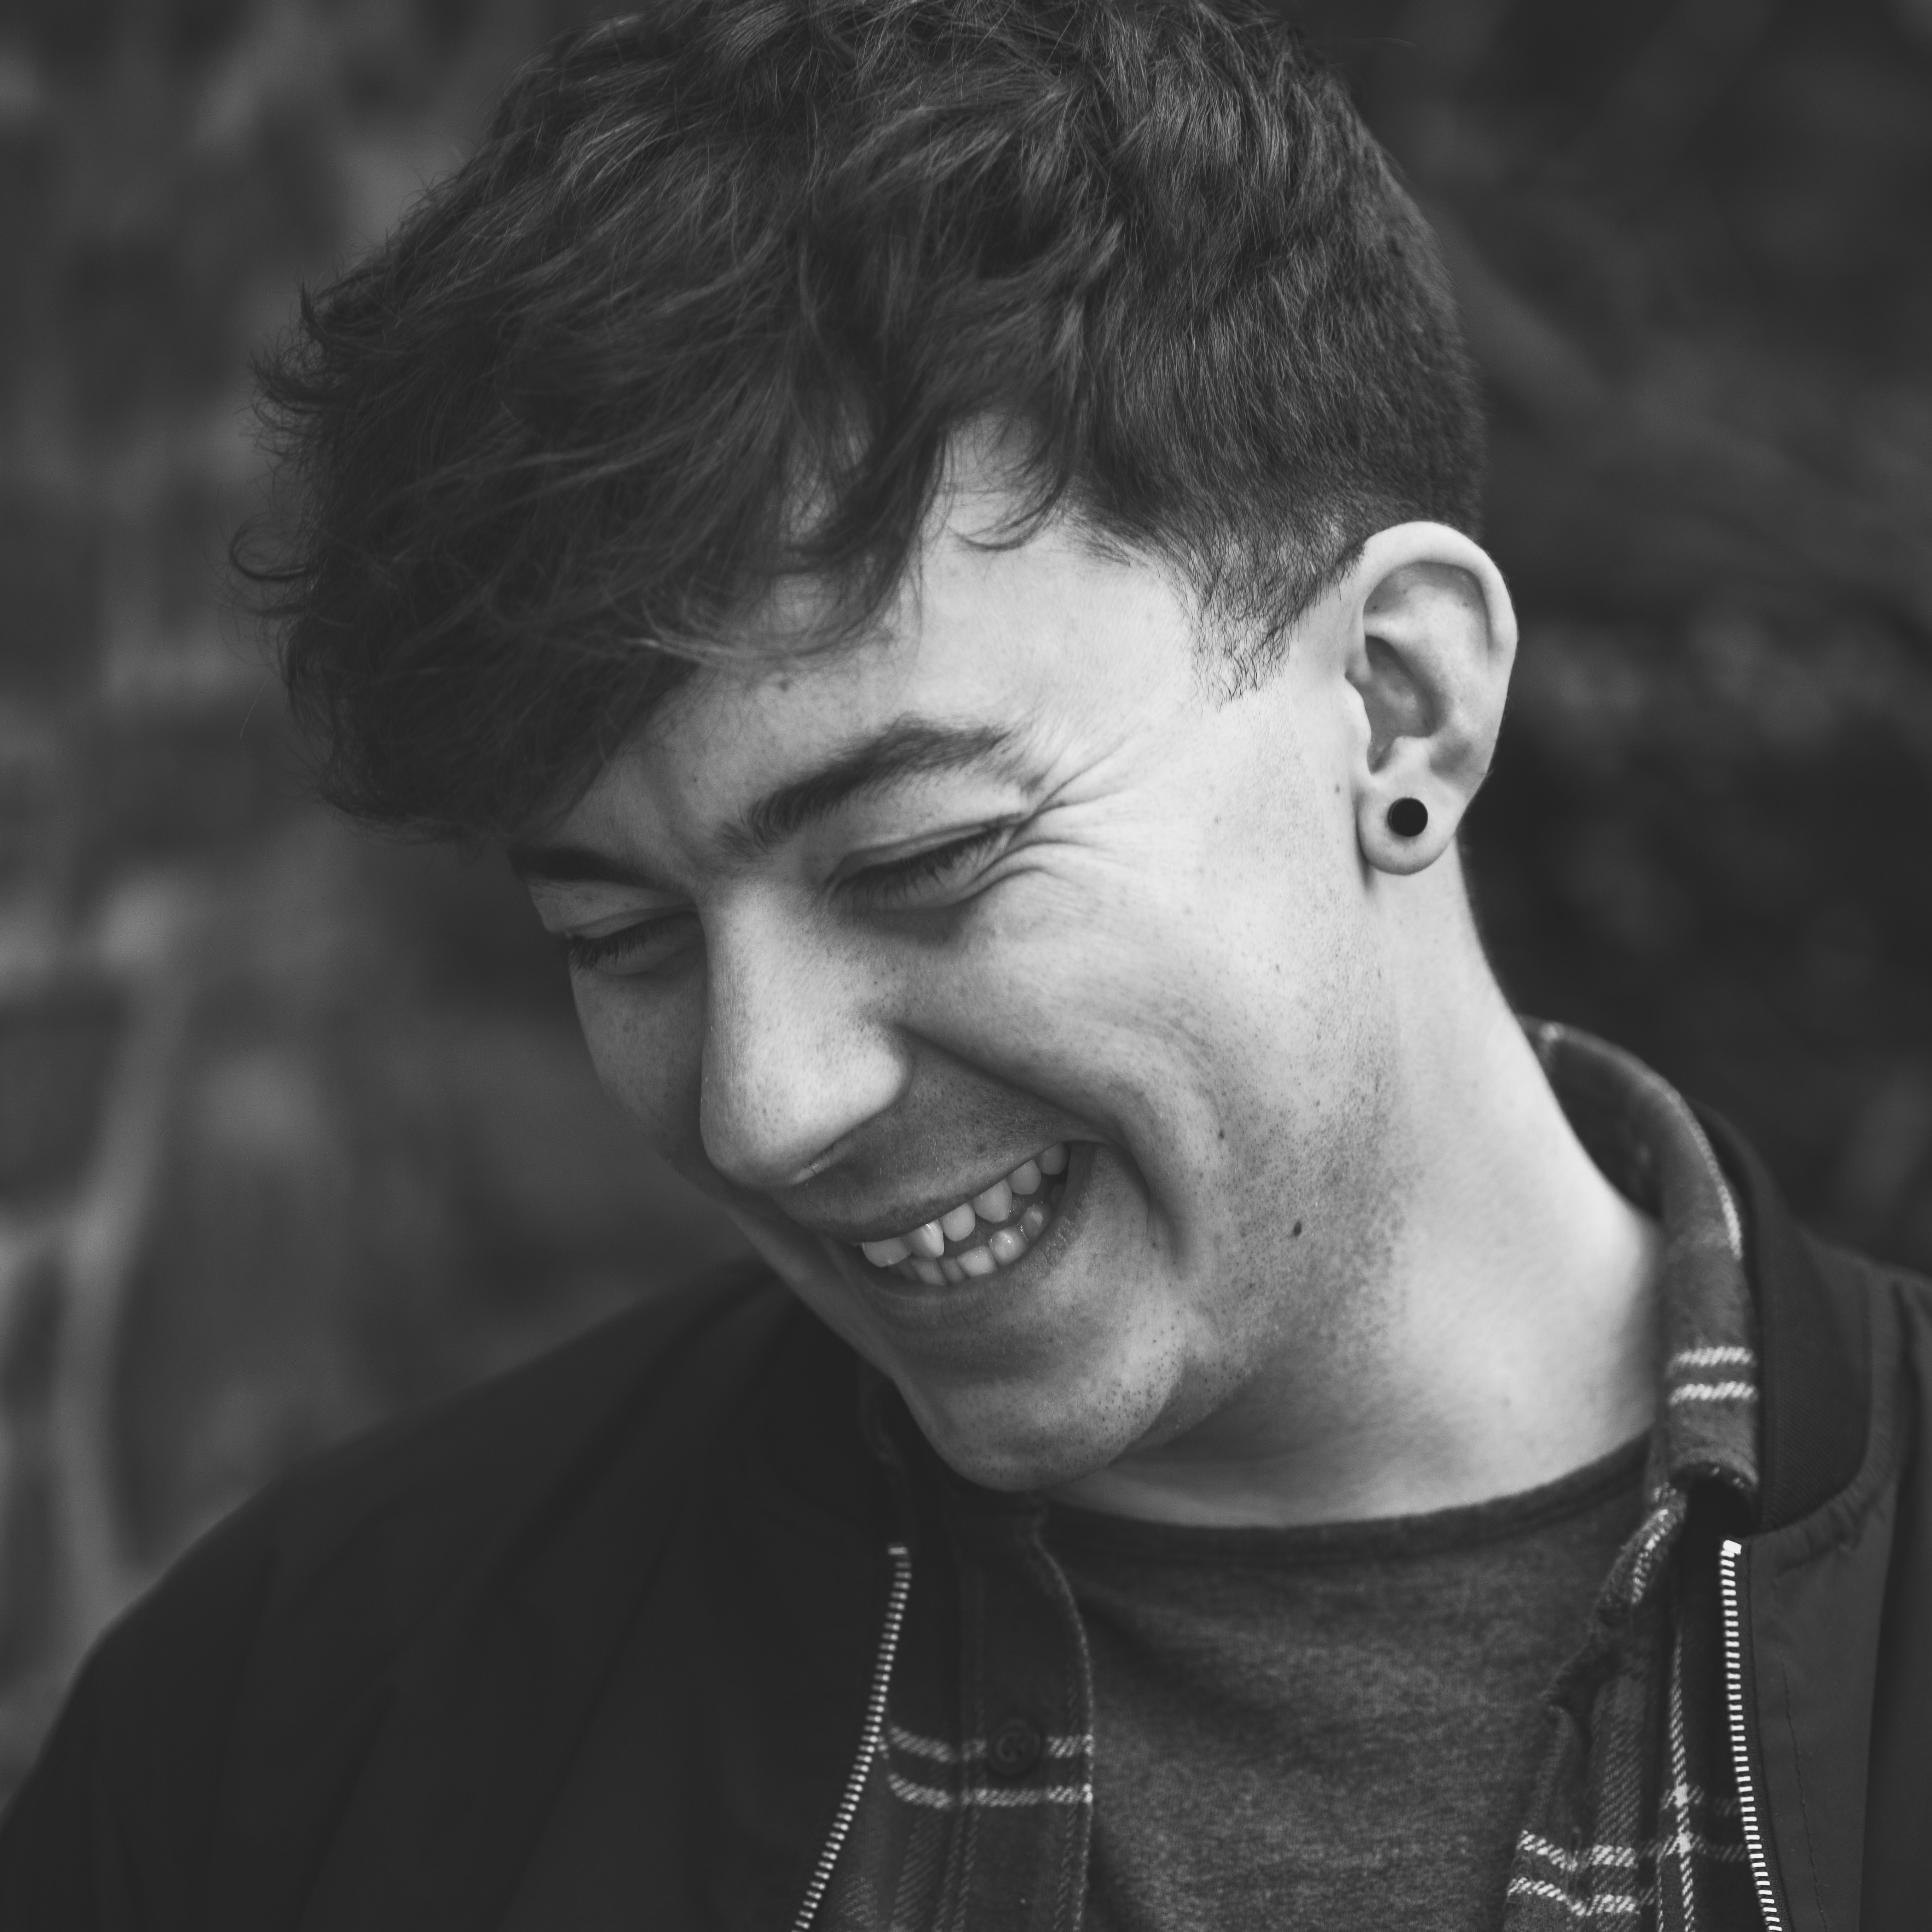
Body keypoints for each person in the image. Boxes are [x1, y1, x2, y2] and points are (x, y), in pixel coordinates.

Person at [2, 3, 1926, 1926]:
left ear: (1397, 703)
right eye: (619, 935)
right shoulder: (291, 1726)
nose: (765, 1108)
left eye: (919, 860)